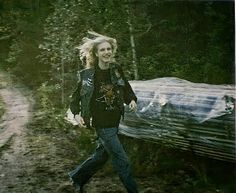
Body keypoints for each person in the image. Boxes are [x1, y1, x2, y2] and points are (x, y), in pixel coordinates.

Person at [68, 31, 139, 193]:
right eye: (102, 50)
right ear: (95, 53)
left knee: (101, 157)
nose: (106, 52)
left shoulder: (116, 69)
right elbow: (75, 97)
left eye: (108, 49)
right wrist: (77, 113)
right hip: (101, 123)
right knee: (123, 161)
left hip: (114, 120)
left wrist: (132, 100)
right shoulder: (87, 75)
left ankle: (76, 177)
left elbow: (126, 88)